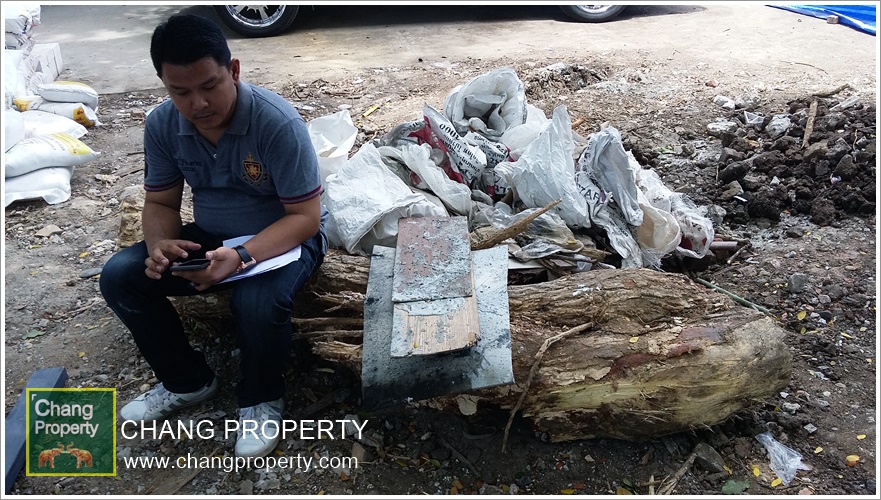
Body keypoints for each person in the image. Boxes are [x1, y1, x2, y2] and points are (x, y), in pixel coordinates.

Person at [99, 13, 326, 458]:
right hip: (211, 234)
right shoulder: (163, 125)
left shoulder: (276, 122)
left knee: (256, 302)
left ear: (234, 70)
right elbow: (161, 203)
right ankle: (188, 382)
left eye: (209, 85)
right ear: (164, 84)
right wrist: (160, 245)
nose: (197, 103)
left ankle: (261, 398)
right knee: (121, 277)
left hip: (281, 238)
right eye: (179, 91)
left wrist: (241, 255)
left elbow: (305, 217)